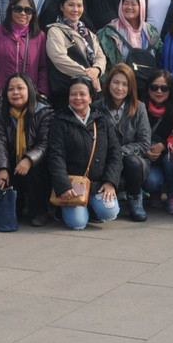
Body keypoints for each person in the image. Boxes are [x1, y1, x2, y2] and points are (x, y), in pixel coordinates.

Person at [48, 76, 122, 230]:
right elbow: (56, 157)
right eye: (73, 94)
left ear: (91, 98)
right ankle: (65, 211)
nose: (77, 98)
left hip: (98, 183)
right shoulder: (59, 121)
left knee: (110, 212)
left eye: (82, 94)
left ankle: (91, 208)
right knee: (78, 224)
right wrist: (64, 186)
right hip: (73, 185)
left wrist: (110, 182)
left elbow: (115, 152)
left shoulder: (101, 120)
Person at [0, 73, 53, 226]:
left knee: (35, 171)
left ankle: (39, 212)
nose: (15, 92)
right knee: (4, 171)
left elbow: (44, 143)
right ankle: (12, 208)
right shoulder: (1, 114)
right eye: (11, 89)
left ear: (30, 90)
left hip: (37, 163)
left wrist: (29, 159)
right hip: (13, 162)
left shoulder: (43, 112)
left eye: (20, 88)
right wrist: (2, 168)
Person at [99, 64, 150, 221]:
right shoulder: (97, 107)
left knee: (132, 162)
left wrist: (118, 153)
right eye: (116, 82)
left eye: (125, 84)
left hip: (134, 162)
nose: (119, 88)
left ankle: (135, 199)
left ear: (131, 87)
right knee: (118, 183)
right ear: (109, 83)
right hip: (107, 163)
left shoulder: (139, 107)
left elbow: (144, 143)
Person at [0, 0, 49, 104]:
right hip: (0, 96)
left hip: (29, 98)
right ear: (10, 10)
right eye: (18, 9)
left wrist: (40, 92)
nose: (22, 13)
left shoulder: (39, 36)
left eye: (28, 10)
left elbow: (43, 67)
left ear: (33, 13)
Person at [46, 0, 107, 110]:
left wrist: (97, 70)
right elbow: (59, 59)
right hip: (66, 94)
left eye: (79, 5)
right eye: (71, 5)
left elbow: (101, 57)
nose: (75, 9)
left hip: (92, 94)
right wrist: (88, 74)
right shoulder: (55, 31)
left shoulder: (88, 33)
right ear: (62, 7)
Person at [97, 0, 161, 96]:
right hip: (119, 91)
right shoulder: (108, 33)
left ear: (141, 7)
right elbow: (102, 63)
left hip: (147, 91)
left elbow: (159, 58)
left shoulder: (151, 32)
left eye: (134, 4)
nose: (129, 7)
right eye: (125, 3)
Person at [141, 69, 173, 214]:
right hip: (147, 156)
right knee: (153, 181)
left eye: (164, 88)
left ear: (170, 90)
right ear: (148, 88)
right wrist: (144, 150)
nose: (159, 91)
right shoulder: (139, 107)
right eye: (154, 87)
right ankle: (155, 192)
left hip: (168, 156)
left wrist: (164, 146)